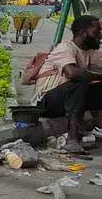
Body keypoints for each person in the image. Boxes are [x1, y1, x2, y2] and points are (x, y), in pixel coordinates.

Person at [34, 15, 102, 151]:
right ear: (83, 32)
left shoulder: (88, 52)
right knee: (81, 79)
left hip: (69, 98)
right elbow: (71, 73)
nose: (100, 36)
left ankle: (95, 127)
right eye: (96, 31)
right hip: (47, 101)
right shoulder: (65, 47)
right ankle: (71, 139)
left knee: (90, 81)